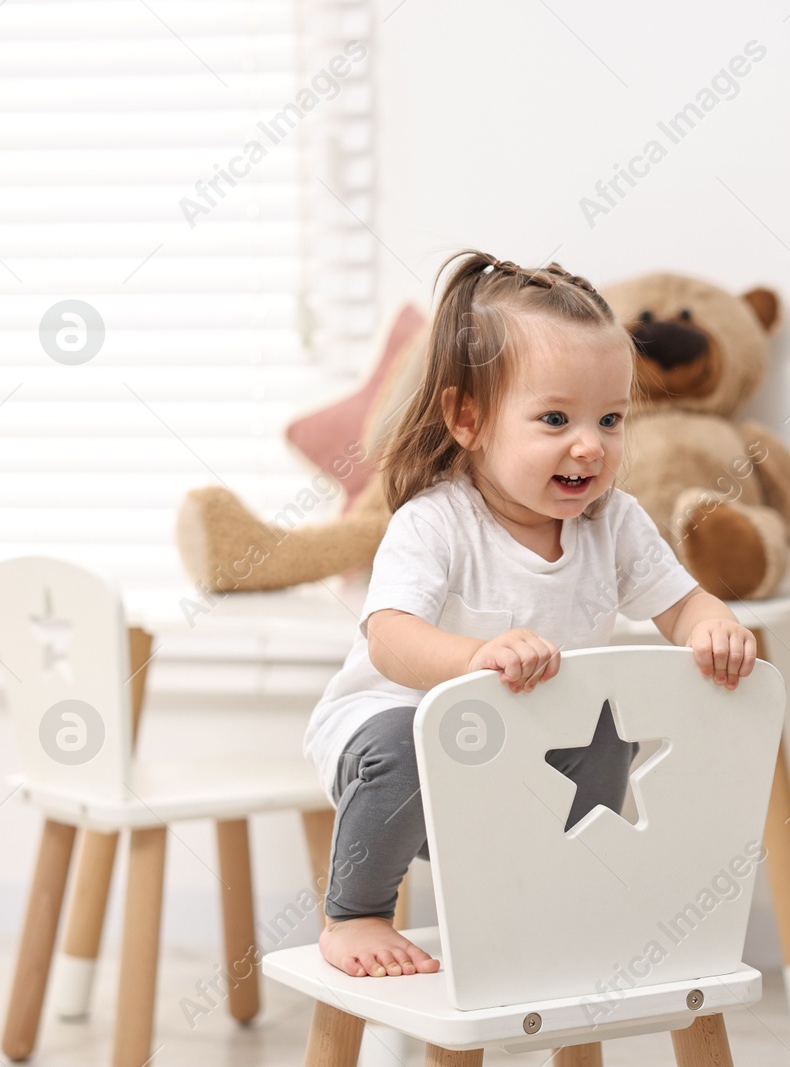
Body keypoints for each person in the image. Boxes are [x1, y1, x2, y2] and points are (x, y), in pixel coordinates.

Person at [302, 249, 759, 979]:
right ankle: (355, 911)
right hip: (401, 736)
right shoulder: (436, 522)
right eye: (555, 418)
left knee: (616, 758)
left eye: (610, 418)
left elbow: (680, 603)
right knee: (401, 739)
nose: (590, 444)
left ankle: (586, 915)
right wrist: (471, 660)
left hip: (528, 752)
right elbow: (389, 640)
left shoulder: (614, 521)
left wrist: (713, 626)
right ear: (468, 418)